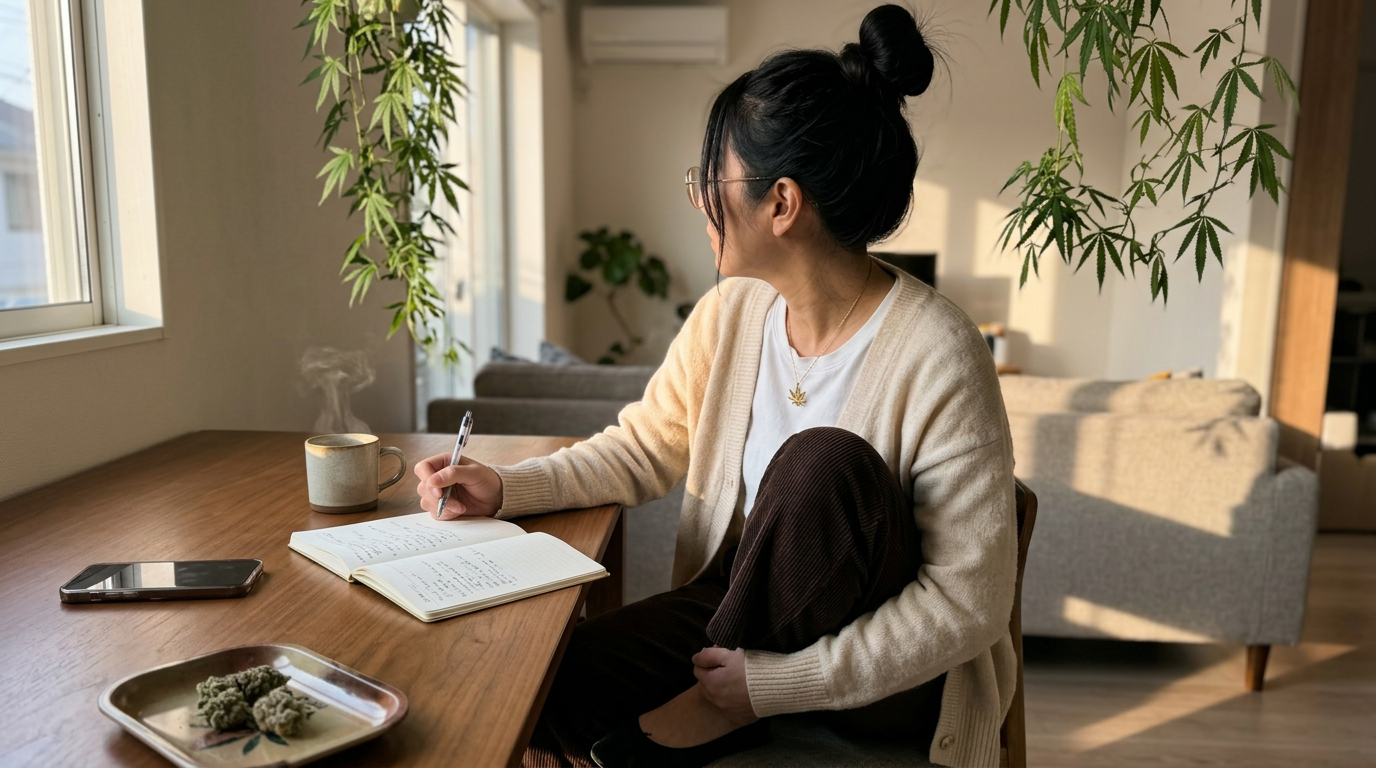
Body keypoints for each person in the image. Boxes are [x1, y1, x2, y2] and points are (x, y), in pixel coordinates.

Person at [413, 5, 1016, 767]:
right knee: (534, 689)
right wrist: (505, 486)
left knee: (819, 462)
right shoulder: (730, 314)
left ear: (781, 203)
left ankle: (712, 712)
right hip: (732, 612)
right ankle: (713, 701)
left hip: (885, 680)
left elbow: (969, 601)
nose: (698, 197)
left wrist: (773, 685)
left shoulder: (940, 350)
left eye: (712, 178)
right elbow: (641, 449)